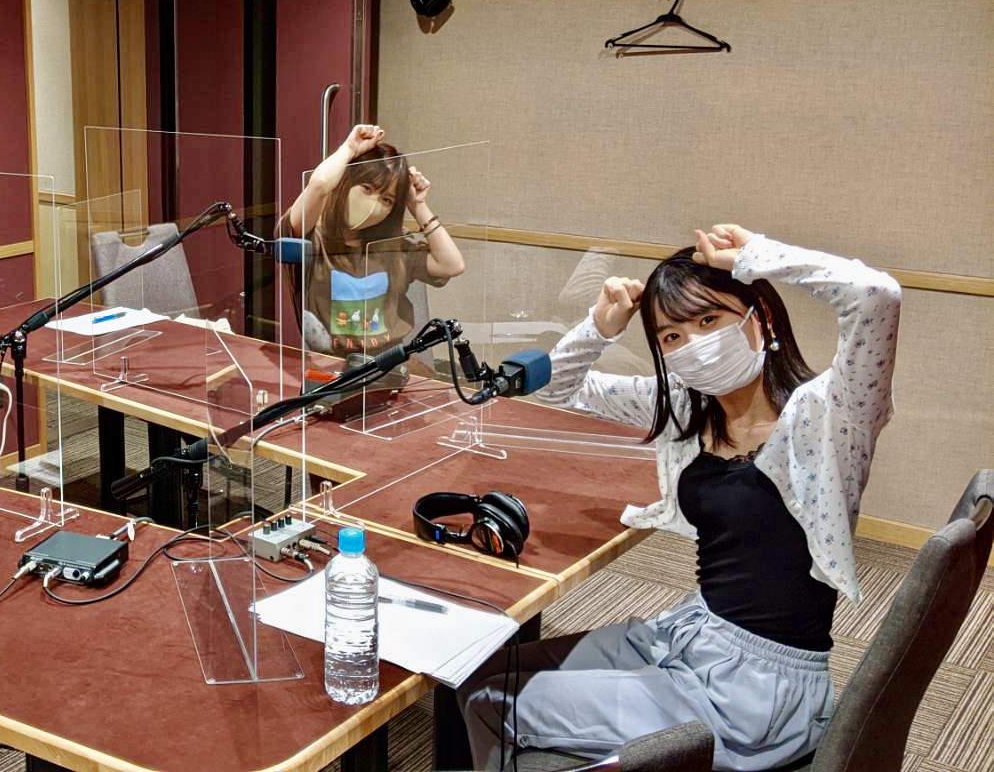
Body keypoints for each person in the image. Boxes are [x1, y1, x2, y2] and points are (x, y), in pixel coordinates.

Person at [457, 224, 902, 770]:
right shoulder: (690, 409)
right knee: (476, 672)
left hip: (757, 693)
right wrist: (599, 327)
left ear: (760, 318)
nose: (692, 345)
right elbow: (555, 391)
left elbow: (877, 296)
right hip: (691, 634)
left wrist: (757, 257)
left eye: (708, 321)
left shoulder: (829, 417)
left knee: (489, 700)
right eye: (671, 336)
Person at [282, 123, 465, 356]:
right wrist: (350, 149)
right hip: (331, 363)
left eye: (387, 200)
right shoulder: (310, 236)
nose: (374, 205)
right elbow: (320, 184)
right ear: (346, 184)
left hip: (389, 360)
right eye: (367, 188)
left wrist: (417, 205)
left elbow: (452, 265)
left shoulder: (392, 245)